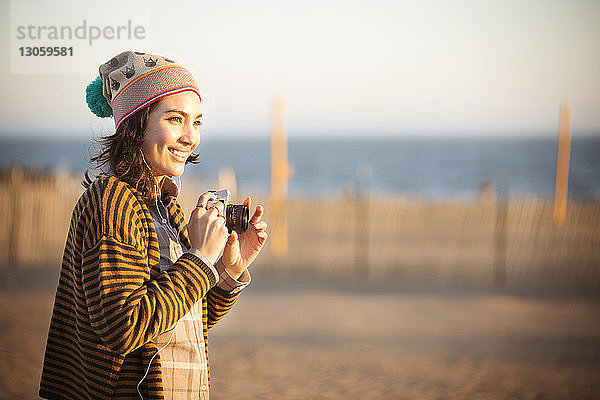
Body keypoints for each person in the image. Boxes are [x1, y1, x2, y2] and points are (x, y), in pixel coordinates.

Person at [39, 51, 268, 399]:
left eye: (197, 121)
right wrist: (199, 259)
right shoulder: (112, 202)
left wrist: (227, 270)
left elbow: (180, 321)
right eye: (176, 119)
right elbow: (124, 328)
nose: (191, 137)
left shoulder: (166, 208)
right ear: (135, 123)